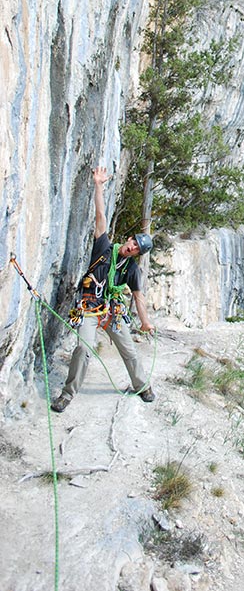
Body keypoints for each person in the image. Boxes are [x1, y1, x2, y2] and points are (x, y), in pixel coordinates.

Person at [51, 166, 156, 412]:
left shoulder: (131, 269)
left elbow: (139, 298)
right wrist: (98, 185)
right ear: (129, 239)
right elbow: (100, 217)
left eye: (137, 250)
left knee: (129, 350)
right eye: (133, 244)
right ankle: (67, 394)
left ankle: (142, 385)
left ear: (138, 254)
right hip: (88, 308)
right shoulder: (104, 248)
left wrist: (146, 322)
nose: (132, 249)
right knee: (83, 349)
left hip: (111, 311)